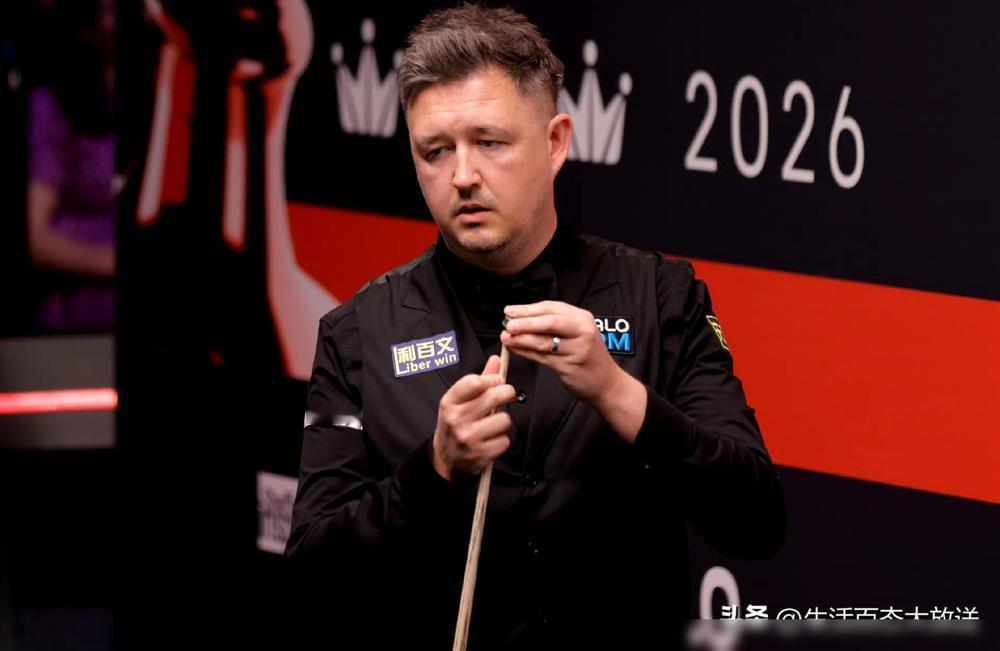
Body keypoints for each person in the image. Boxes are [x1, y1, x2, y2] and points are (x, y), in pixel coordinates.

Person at [286, 5, 785, 649]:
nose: (462, 176)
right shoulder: (357, 333)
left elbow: (757, 522)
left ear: (555, 143)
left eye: (490, 143)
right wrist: (433, 470)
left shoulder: (662, 296)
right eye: (435, 151)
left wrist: (617, 393)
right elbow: (311, 582)